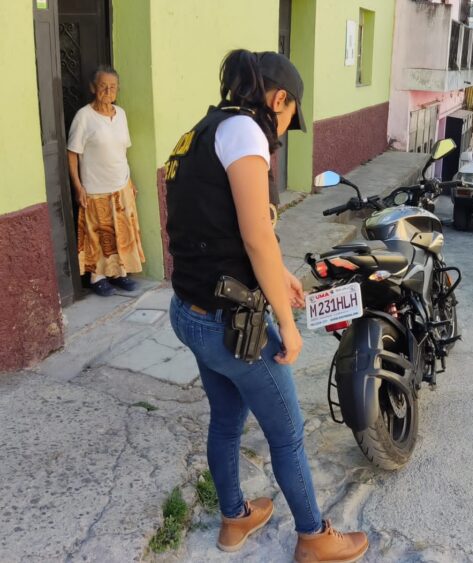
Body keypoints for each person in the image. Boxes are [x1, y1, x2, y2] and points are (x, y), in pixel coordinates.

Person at [165, 50, 368, 563]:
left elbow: (221, 225)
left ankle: (234, 518)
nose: (281, 133)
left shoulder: (203, 131)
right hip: (228, 323)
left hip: (190, 310)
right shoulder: (246, 133)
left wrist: (280, 276)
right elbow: (256, 236)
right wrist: (286, 323)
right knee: (288, 434)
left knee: (226, 418)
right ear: (279, 100)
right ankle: (313, 536)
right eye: (288, 117)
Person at [67, 65, 145, 297]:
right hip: (95, 187)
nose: (108, 91)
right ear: (93, 88)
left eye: (113, 87)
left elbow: (122, 151)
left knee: (121, 233)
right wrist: (78, 187)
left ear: (118, 90)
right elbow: (72, 153)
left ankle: (119, 273)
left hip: (121, 184)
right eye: (103, 86)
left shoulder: (120, 114)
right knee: (98, 235)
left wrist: (130, 181)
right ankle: (97, 277)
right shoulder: (84, 116)